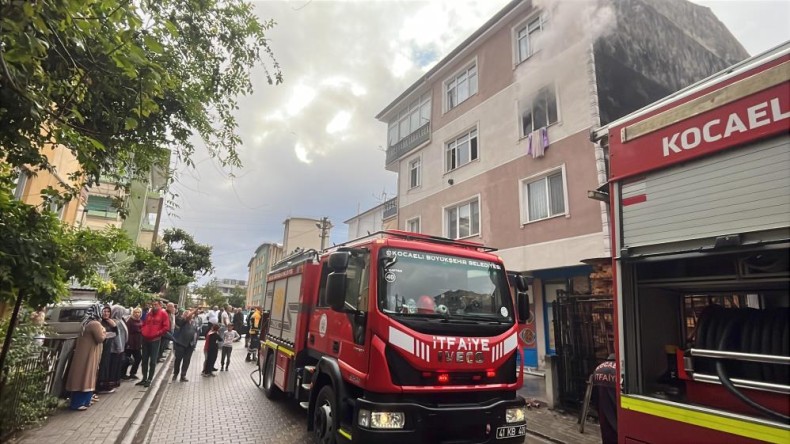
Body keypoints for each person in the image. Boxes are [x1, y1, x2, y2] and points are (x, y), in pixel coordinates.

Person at [65, 303, 106, 411]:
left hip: (82, 354)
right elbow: (100, 338)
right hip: (89, 355)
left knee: (81, 377)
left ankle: (83, 401)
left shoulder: (85, 323)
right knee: (86, 376)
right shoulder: (95, 324)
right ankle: (79, 403)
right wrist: (104, 331)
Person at [137, 300, 170, 388]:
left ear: (160, 305)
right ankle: (144, 378)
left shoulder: (163, 314)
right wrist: (143, 331)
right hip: (145, 339)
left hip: (155, 340)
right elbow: (144, 324)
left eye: (156, 304)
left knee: (153, 361)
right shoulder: (149, 314)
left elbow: (166, 327)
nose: (154, 306)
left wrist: (157, 333)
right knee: (144, 360)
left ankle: (149, 379)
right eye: (153, 304)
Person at [593, 354, 618, 444]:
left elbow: (594, 396)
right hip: (618, 415)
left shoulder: (598, 369)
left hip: (604, 414)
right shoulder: (618, 370)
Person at [172, 307, 200, 382]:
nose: (190, 315)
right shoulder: (182, 321)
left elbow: (196, 332)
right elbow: (187, 318)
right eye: (187, 314)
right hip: (181, 343)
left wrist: (194, 342)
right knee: (178, 359)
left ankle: (183, 375)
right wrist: (194, 310)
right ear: (184, 315)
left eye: (190, 314)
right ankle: (175, 373)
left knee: (187, 360)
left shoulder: (194, 322)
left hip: (190, 345)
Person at [96, 305, 118, 393]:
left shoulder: (110, 322)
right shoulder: (99, 322)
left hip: (108, 347)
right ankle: (99, 385)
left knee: (106, 365)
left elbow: (116, 333)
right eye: (104, 311)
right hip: (100, 346)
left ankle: (104, 384)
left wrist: (114, 325)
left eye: (108, 312)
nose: (106, 313)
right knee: (100, 365)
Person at [122, 307, 143, 380]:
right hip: (130, 343)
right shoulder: (130, 321)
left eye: (138, 312)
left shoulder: (140, 320)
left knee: (138, 358)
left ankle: (133, 373)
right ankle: (123, 374)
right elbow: (127, 332)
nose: (137, 314)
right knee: (127, 359)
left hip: (137, 343)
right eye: (135, 312)